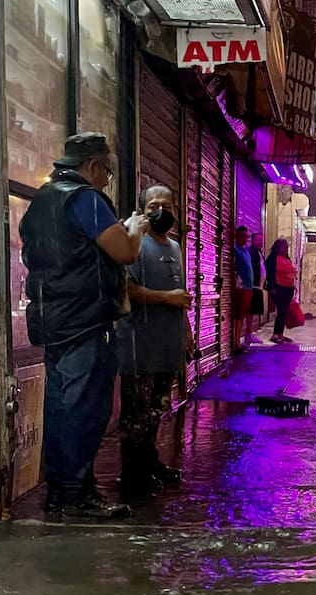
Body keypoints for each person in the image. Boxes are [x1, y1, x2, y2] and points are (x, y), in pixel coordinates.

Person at [20, 132, 148, 519]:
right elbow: (123, 251)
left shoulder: (43, 199)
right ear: (92, 166)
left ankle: (65, 490)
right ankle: (74, 494)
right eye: (106, 172)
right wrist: (136, 227)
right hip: (86, 321)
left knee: (61, 407)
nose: (107, 180)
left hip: (53, 320)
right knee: (85, 410)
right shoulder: (85, 199)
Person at [117, 184, 194, 497]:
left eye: (166, 204)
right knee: (136, 415)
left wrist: (187, 335)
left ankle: (150, 463)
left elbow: (182, 297)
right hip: (140, 347)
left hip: (167, 347)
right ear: (141, 210)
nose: (160, 210)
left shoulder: (174, 247)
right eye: (153, 205)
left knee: (157, 410)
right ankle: (133, 475)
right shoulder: (133, 244)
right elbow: (126, 290)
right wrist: (166, 298)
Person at [266, 238, 297, 344]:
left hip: (288, 289)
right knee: (281, 311)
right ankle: (276, 334)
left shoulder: (286, 258)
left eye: (286, 247)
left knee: (283, 312)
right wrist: (272, 287)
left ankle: (280, 333)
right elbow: (269, 273)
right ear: (277, 247)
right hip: (279, 288)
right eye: (283, 246)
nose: (285, 248)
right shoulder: (273, 258)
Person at [231, 226, 254, 353]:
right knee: (239, 315)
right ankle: (236, 343)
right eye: (242, 236)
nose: (244, 239)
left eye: (246, 236)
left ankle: (239, 341)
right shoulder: (235, 250)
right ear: (236, 236)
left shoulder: (245, 251)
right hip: (241, 288)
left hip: (248, 288)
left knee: (243, 315)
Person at [246, 232, 267, 342]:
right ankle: (248, 334)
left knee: (253, 311)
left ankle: (250, 334)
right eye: (257, 240)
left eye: (261, 240)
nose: (260, 242)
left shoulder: (258, 252)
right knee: (250, 311)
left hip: (258, 286)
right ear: (252, 241)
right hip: (253, 285)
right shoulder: (251, 252)